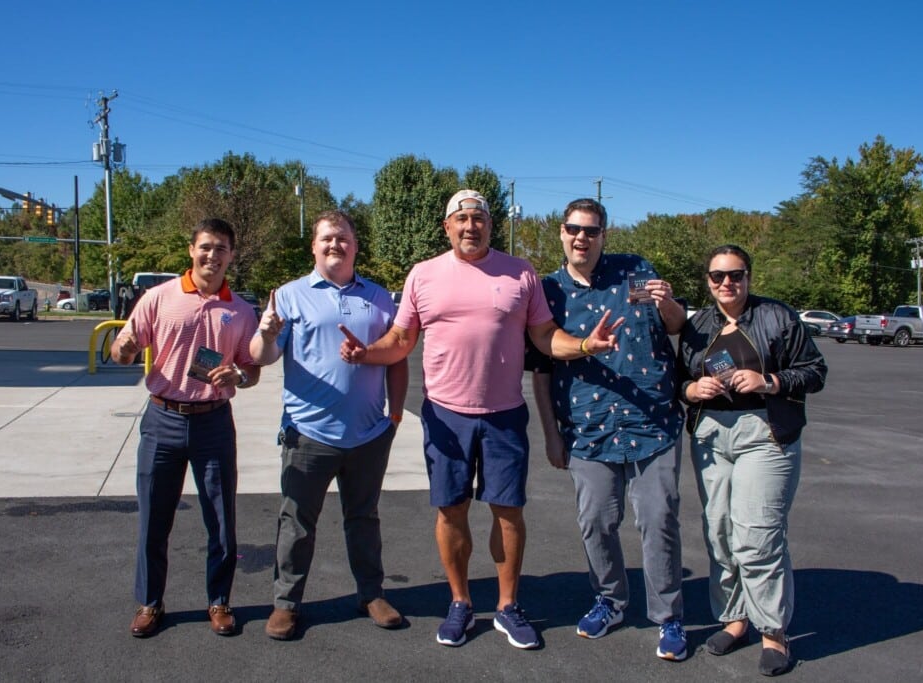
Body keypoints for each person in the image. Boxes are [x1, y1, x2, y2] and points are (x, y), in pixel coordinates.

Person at [339, 190, 621, 650]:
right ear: (447, 226)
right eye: (462, 219)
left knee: (508, 512)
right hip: (445, 416)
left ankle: (508, 607)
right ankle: (461, 602)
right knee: (451, 510)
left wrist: (586, 345)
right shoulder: (424, 274)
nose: (471, 226)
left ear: (490, 225)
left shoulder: (520, 272)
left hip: (504, 416)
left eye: (479, 219)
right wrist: (366, 353)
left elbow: (546, 337)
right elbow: (401, 339)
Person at [526, 198, 689, 661]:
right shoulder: (548, 290)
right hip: (587, 428)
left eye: (592, 231)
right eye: (574, 229)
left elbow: (675, 327)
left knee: (659, 520)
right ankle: (610, 600)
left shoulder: (634, 271)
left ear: (604, 235)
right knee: (596, 521)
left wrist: (669, 303)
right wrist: (551, 434)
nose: (582, 237)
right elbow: (541, 368)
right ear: (561, 232)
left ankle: (668, 616)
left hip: (651, 422)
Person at [250, 210, 407, 640]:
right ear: (313, 247)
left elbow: (396, 355)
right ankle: (286, 604)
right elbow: (262, 356)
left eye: (343, 238)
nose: (335, 245)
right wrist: (265, 333)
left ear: (356, 246)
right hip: (308, 434)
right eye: (326, 239)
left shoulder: (379, 298)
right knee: (297, 522)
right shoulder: (288, 296)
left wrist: (394, 415)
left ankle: (371, 593)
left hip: (368, 435)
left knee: (364, 518)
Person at [676, 244, 827, 677]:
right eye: (718, 276)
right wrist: (692, 391)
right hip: (710, 436)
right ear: (707, 280)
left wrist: (771, 380)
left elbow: (815, 370)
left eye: (736, 275)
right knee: (719, 531)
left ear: (749, 277)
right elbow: (678, 380)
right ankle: (734, 617)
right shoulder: (698, 326)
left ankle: (772, 631)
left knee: (757, 535)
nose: (727, 283)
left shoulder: (778, 317)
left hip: (765, 433)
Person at [111, 217, 261, 638]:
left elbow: (251, 370)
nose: (212, 256)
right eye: (206, 247)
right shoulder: (159, 298)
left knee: (220, 519)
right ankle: (150, 603)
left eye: (222, 249)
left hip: (213, 422)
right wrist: (122, 348)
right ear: (192, 250)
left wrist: (240, 378)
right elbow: (123, 349)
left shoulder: (241, 311)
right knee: (154, 519)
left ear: (232, 255)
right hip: (163, 419)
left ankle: (219, 601)